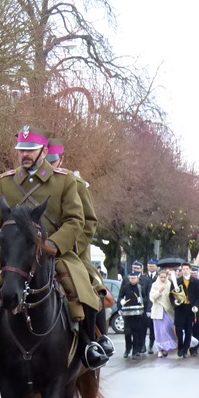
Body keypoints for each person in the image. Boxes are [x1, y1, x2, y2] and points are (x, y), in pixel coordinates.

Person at [0, 126, 109, 369]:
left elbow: (76, 220)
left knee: (82, 288)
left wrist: (55, 243)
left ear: (43, 151)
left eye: (30, 150)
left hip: (54, 253)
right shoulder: (6, 181)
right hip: (13, 255)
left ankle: (90, 344)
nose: (25, 154)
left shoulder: (64, 181)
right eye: (21, 150)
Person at [46, 138, 115, 356]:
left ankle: (95, 340)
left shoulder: (75, 184)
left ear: (61, 160)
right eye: (45, 160)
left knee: (92, 287)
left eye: (52, 161)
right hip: (34, 250)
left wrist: (67, 246)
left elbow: (89, 221)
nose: (48, 165)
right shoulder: (26, 184)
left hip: (71, 251)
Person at [169, 262, 199, 358]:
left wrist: (196, 306)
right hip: (180, 308)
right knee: (178, 329)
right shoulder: (176, 281)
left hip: (190, 308)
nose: (185, 271)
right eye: (183, 269)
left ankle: (185, 350)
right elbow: (171, 295)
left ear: (190, 270)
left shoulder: (197, 282)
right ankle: (180, 347)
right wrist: (175, 302)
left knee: (188, 329)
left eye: (187, 269)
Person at [149, 269, 177, 357]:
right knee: (158, 332)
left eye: (164, 277)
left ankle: (165, 347)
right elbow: (152, 297)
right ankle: (160, 350)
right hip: (157, 311)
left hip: (167, 310)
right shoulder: (155, 285)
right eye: (161, 277)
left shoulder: (169, 284)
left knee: (166, 329)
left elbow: (172, 296)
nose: (163, 279)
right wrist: (159, 291)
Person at [120, 271, 147, 358]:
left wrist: (141, 300)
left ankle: (135, 351)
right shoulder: (125, 287)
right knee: (127, 333)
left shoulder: (139, 287)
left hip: (137, 314)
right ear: (129, 279)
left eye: (134, 278)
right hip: (127, 314)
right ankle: (128, 349)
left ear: (137, 279)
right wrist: (121, 301)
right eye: (131, 278)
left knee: (136, 334)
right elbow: (120, 297)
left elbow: (145, 298)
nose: (132, 280)